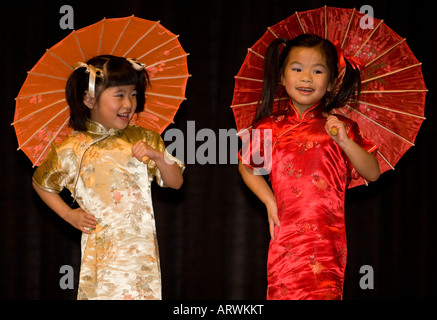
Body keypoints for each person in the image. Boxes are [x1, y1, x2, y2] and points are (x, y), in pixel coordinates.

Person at [238, 34, 380, 300]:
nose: (306, 77)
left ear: (331, 82)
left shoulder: (342, 127)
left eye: (317, 70)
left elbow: (372, 172)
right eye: (297, 69)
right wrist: (270, 202)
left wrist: (345, 143)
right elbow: (246, 167)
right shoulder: (269, 126)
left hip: (327, 240)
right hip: (286, 236)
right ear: (281, 77)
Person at [32, 55, 184, 300]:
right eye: (119, 94)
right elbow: (41, 184)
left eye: (133, 94)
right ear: (89, 99)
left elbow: (176, 182)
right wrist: (68, 214)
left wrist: (157, 156)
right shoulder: (71, 148)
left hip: (141, 255)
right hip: (101, 256)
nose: (129, 103)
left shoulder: (144, 137)